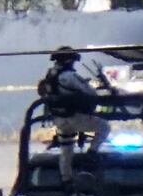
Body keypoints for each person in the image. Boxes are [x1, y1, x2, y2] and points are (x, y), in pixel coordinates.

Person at [38, 46, 110, 187]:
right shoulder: (69, 76)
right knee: (105, 127)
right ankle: (92, 152)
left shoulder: (51, 75)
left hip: (59, 120)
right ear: (69, 60)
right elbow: (90, 93)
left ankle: (66, 180)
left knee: (66, 150)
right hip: (75, 117)